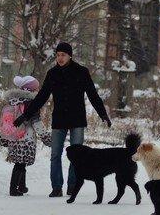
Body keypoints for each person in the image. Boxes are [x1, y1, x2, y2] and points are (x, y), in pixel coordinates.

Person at [14, 42, 111, 198]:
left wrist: (103, 114)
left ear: (69, 55)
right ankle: (56, 187)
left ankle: (72, 186)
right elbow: (42, 97)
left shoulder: (81, 72)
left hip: (77, 119)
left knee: (78, 155)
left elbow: (93, 95)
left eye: (63, 55)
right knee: (55, 154)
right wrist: (26, 115)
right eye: (58, 55)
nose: (60, 58)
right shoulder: (52, 74)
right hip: (59, 119)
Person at [0, 75, 51, 196]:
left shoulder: (13, 101)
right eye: (36, 89)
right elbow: (36, 122)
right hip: (26, 138)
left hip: (13, 137)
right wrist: (46, 138)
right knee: (20, 164)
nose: (38, 90)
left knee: (20, 163)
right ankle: (13, 189)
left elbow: (5, 121)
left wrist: (4, 138)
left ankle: (22, 186)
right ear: (31, 90)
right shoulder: (31, 103)